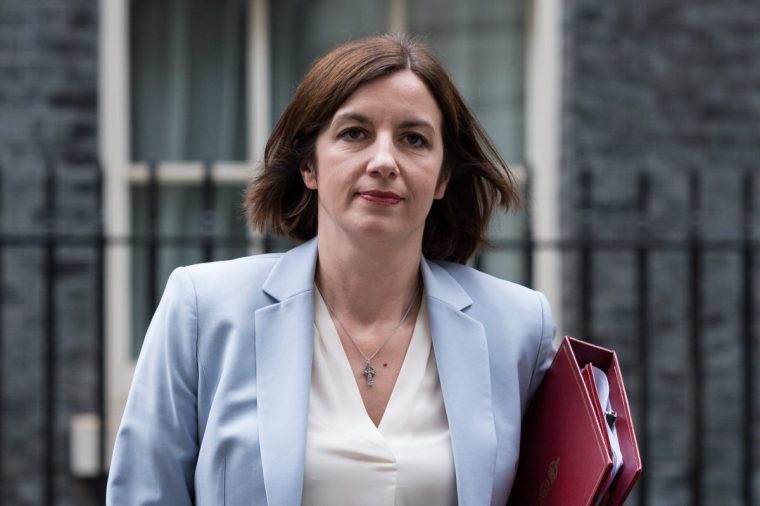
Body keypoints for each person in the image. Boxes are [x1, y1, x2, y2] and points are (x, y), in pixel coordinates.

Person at [107, 34, 556, 506]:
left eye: (414, 139)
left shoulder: (519, 327)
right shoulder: (203, 308)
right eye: (354, 133)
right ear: (310, 166)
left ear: (443, 176)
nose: (384, 161)